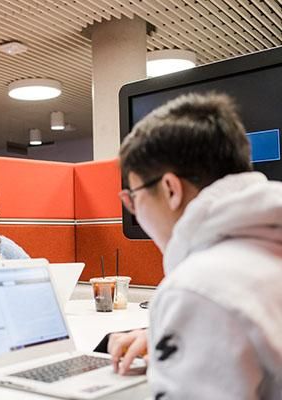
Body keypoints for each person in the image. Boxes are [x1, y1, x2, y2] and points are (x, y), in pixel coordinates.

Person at [108, 92, 282, 399]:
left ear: (171, 189)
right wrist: (186, 342)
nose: (134, 209)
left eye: (134, 197)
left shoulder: (197, 287)